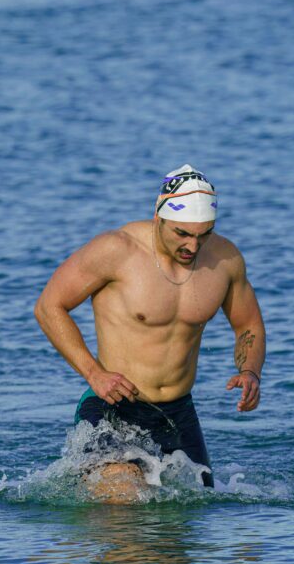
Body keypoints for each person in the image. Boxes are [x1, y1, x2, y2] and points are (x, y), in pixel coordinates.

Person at [34, 165, 266, 489]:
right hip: (113, 408)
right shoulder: (117, 250)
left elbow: (247, 324)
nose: (193, 247)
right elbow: (49, 306)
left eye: (204, 234)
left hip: (178, 414)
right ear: (159, 217)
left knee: (194, 515)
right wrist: (94, 373)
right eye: (182, 234)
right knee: (124, 495)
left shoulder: (225, 260)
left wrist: (250, 371)